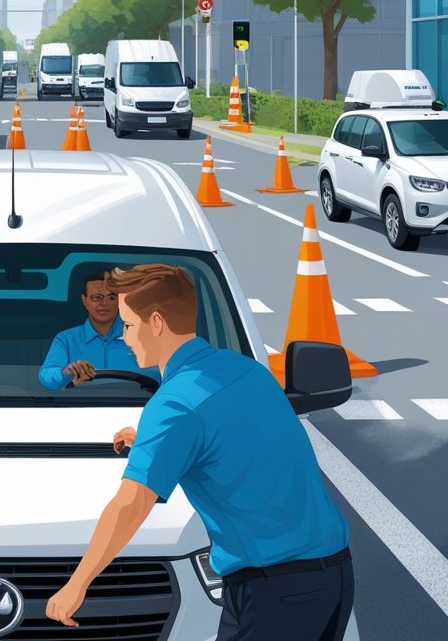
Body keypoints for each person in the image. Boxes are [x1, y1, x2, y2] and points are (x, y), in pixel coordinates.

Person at [46, 263, 353, 639]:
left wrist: (76, 585)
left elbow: (131, 504)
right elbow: (236, 432)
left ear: (156, 322)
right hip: (335, 577)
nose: (124, 338)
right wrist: (153, 441)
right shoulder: (246, 371)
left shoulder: (173, 405)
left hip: (274, 592)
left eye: (128, 325)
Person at [38, 271, 160, 390]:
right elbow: (47, 376)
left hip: (140, 407)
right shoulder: (66, 340)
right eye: (97, 298)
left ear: (120, 301)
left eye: (111, 297)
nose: (104, 303)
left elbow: (168, 374)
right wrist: (66, 372)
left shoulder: (143, 337)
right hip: (78, 408)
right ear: (85, 300)